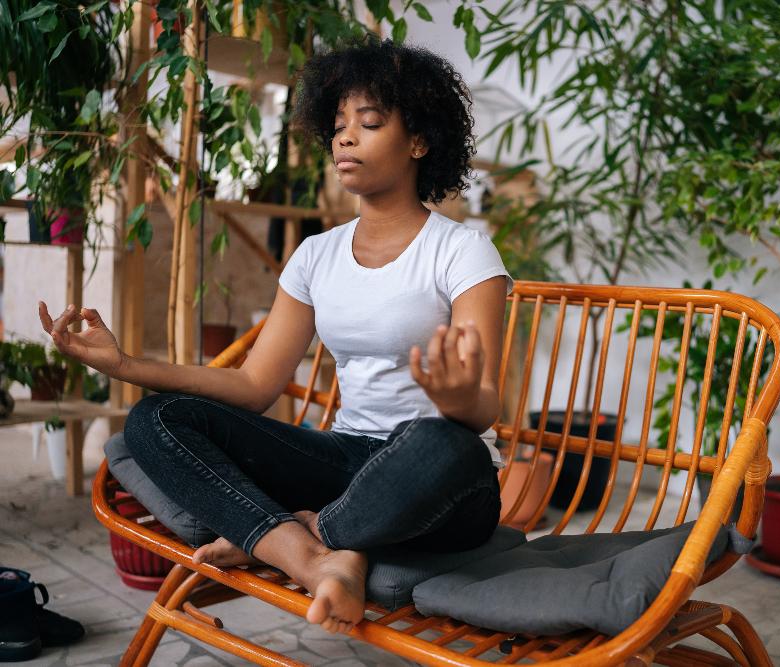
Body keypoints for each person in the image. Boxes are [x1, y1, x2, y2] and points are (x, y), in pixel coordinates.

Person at [36, 36, 513, 637]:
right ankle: (310, 553)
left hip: (442, 479)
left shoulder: (462, 250)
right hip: (349, 460)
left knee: (443, 442)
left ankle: (296, 534)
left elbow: (487, 405)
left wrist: (457, 399)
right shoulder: (316, 256)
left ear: (419, 140)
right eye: (338, 124)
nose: (344, 138)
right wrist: (127, 364)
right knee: (154, 420)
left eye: (368, 123)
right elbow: (254, 384)